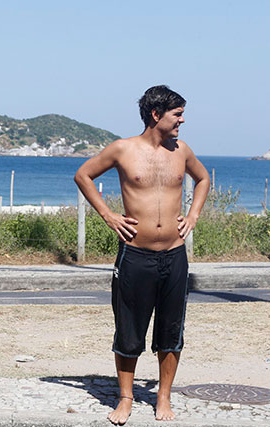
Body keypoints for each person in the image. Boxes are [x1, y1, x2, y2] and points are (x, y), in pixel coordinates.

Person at [74, 85, 210, 424]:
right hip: (135, 255)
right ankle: (125, 398)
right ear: (155, 114)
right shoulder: (123, 149)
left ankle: (163, 397)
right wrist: (109, 216)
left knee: (171, 329)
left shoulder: (182, 150)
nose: (182, 120)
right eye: (177, 114)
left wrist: (192, 215)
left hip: (175, 256)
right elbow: (84, 175)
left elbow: (203, 179)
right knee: (129, 329)